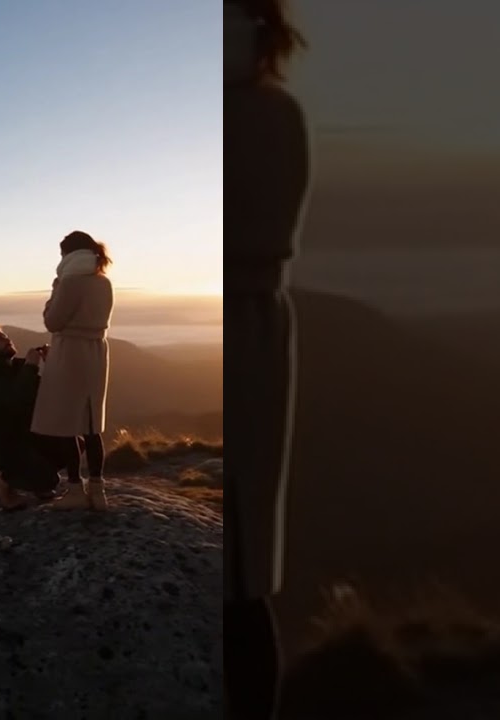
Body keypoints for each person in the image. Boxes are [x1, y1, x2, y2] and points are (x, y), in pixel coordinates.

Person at [227, 1, 312, 718]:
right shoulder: (264, 113)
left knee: (241, 572)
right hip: (247, 327)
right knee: (238, 569)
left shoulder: (264, 117)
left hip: (247, 330)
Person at [30, 231, 115, 511]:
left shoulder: (68, 281)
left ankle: (76, 489)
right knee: (91, 423)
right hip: (96, 352)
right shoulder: (104, 282)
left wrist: (54, 291)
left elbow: (52, 321)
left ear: (68, 254)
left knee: (67, 423)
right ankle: (99, 490)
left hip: (70, 352)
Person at [0, 326, 66, 510]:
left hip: (31, 436)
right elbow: (15, 403)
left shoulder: (19, 368)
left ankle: (39, 481)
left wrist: (50, 365)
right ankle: (4, 481)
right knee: (50, 479)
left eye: (6, 336)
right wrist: (31, 367)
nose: (7, 340)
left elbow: (49, 395)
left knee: (74, 442)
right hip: (8, 446)